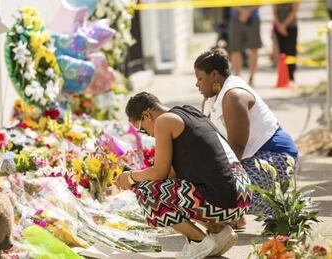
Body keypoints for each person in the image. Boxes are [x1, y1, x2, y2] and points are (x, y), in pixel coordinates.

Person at [115, 92, 252, 258]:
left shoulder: (164, 121)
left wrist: (130, 177)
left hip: (226, 198)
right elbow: (171, 174)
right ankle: (218, 231)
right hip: (242, 193)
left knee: (145, 191)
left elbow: (159, 173)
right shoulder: (188, 112)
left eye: (142, 129)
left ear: (146, 115)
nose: (148, 135)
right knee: (166, 188)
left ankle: (198, 241)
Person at [195, 49, 299, 228]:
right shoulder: (210, 99)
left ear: (214, 75)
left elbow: (235, 150)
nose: (197, 85)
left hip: (276, 157)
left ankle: (280, 211)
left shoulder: (234, 96)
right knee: (206, 187)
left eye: (199, 78)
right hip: (251, 158)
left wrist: (208, 179)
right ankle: (236, 215)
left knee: (220, 192)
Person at [228, 6, 262, 86]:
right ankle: (237, 77)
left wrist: (247, 12)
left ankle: (252, 77)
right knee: (235, 49)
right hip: (236, 17)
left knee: (254, 48)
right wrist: (242, 11)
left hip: (253, 17)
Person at [273, 3, 299, 85]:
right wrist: (279, 26)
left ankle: (291, 75)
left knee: (291, 51)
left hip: (291, 26)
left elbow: (294, 11)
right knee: (282, 52)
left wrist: (284, 25)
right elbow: (274, 13)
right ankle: (283, 75)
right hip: (279, 27)